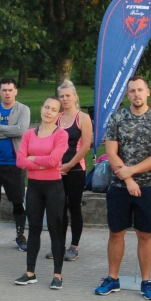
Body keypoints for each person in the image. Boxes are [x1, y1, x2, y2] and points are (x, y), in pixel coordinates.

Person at [94, 76, 151, 301]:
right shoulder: (118, 118)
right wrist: (127, 178)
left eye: (140, 90)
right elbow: (111, 152)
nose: (136, 94)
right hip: (119, 186)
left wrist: (133, 171)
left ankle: (146, 281)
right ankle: (112, 278)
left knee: (144, 234)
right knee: (116, 233)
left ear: (148, 92)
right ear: (127, 95)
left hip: (147, 187)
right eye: (132, 91)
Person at [15, 97, 69, 289]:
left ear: (58, 114)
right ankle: (30, 272)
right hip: (35, 187)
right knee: (34, 229)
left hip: (54, 187)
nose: (48, 112)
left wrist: (33, 158)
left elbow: (55, 161)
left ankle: (58, 274)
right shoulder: (30, 134)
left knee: (56, 228)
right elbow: (20, 161)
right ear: (41, 108)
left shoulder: (61, 135)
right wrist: (40, 162)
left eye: (53, 109)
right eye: (46, 107)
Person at [0, 78, 30, 250]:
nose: (7, 93)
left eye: (10, 90)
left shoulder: (23, 109)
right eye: (4, 90)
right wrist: (11, 130)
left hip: (14, 163)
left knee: (17, 200)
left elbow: (22, 131)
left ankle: (20, 235)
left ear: (15, 91)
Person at [54, 81, 92, 262]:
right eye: (62, 96)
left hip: (76, 169)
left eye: (68, 95)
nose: (65, 99)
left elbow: (85, 146)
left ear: (75, 96)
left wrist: (68, 165)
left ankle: (74, 246)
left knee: (73, 207)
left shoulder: (82, 118)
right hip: (56, 170)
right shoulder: (56, 118)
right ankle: (58, 245)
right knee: (58, 208)